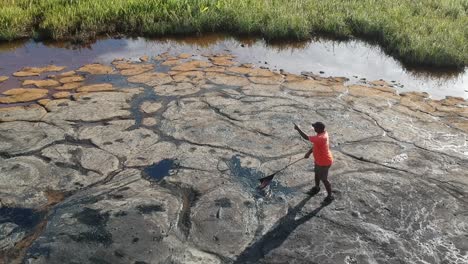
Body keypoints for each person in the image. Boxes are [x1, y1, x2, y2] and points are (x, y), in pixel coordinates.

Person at [294, 122, 334, 202]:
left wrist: (298, 129)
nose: (314, 129)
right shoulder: (323, 133)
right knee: (316, 173)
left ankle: (330, 196)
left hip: (324, 162)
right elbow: (316, 145)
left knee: (324, 179)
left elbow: (306, 137)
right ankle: (316, 187)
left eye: (315, 127)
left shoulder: (321, 137)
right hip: (318, 160)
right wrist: (308, 153)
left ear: (319, 129)